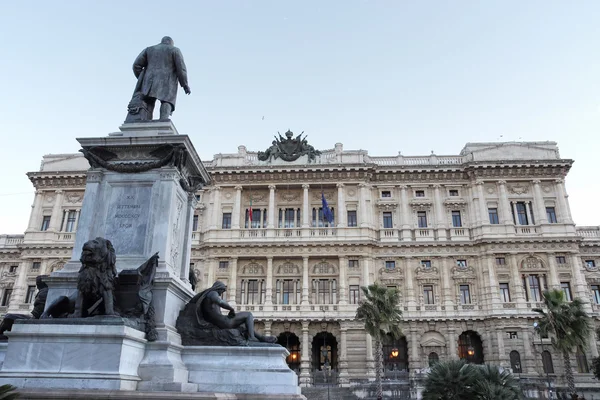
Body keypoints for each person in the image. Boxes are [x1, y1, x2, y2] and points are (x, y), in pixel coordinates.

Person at [131, 36, 191, 121]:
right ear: (171, 43)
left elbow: (136, 65)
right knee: (166, 101)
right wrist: (185, 84)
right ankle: (163, 122)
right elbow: (181, 69)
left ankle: (145, 122)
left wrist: (143, 80)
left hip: (149, 82)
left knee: (148, 102)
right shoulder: (174, 50)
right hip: (167, 82)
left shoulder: (149, 49)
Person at [195, 281, 275, 343]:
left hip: (221, 322)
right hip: (224, 322)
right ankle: (252, 338)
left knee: (244, 326)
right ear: (218, 288)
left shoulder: (208, 298)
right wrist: (231, 309)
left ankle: (261, 338)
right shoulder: (213, 293)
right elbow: (221, 302)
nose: (221, 293)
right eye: (222, 291)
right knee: (248, 315)